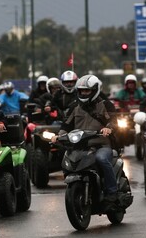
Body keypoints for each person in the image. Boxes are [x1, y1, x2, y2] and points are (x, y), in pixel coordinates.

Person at [51, 75, 118, 205]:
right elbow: (66, 124)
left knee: (102, 159)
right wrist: (58, 135)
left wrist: (108, 128)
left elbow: (113, 121)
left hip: (101, 145)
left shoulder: (105, 105)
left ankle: (112, 191)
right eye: (81, 91)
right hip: (80, 146)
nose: (84, 93)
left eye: (87, 90)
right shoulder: (74, 106)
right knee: (67, 159)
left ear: (94, 90)